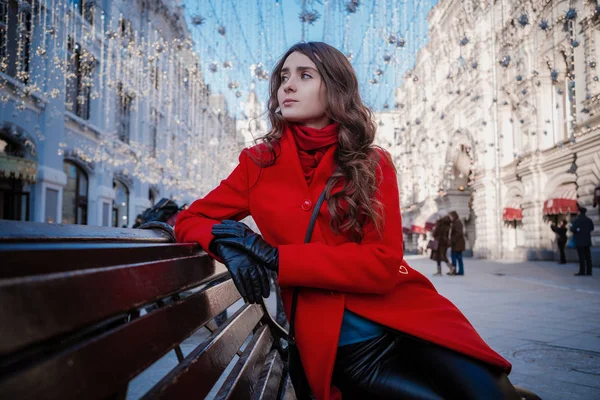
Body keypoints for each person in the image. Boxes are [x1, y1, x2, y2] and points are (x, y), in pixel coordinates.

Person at [175, 42, 519, 400]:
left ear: (335, 88)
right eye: (283, 77)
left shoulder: (372, 162)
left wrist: (279, 258)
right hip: (348, 351)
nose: (287, 86)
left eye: (305, 75)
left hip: (414, 321)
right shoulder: (258, 163)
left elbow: (384, 263)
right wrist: (226, 247)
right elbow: (190, 218)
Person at [571, 206, 594, 276]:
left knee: (581, 257)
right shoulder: (589, 220)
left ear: (579, 212)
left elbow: (572, 229)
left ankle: (582, 271)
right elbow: (592, 228)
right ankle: (589, 271)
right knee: (588, 257)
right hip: (587, 240)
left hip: (580, 241)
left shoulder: (577, 220)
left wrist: (578, 230)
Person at [449, 211, 466, 275]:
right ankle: (457, 271)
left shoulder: (457, 223)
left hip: (457, 244)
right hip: (457, 244)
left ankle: (455, 271)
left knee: (456, 258)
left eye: (450, 216)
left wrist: (452, 240)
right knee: (458, 258)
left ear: (453, 216)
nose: (450, 218)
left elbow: (459, 233)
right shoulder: (455, 222)